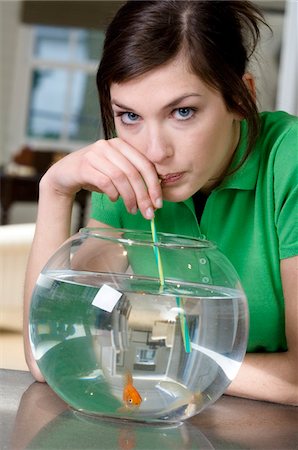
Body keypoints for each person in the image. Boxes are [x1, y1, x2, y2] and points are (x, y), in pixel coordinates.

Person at [24, 0, 298, 405]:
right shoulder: (126, 176)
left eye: (183, 111)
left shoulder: (288, 161)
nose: (153, 151)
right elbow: (49, 358)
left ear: (242, 97)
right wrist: (55, 190)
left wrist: (176, 361)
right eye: (130, 116)